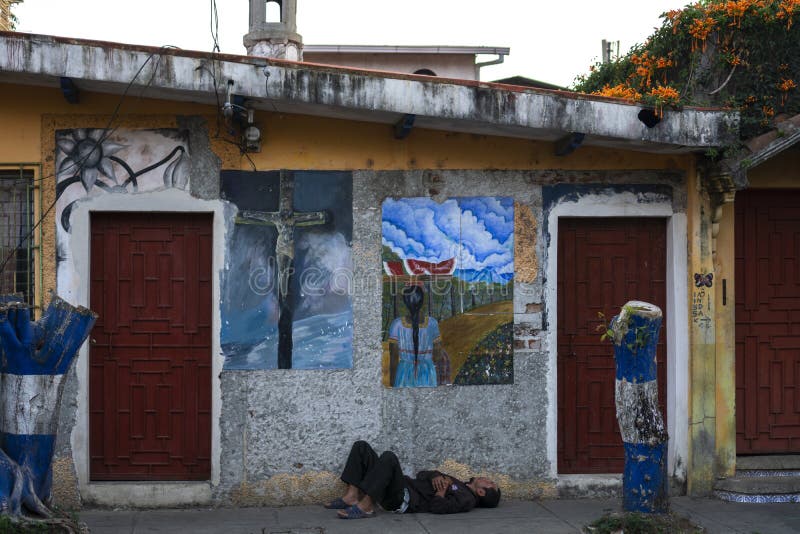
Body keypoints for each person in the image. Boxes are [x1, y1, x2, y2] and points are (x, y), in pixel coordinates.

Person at [324, 440, 500, 519]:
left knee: (389, 457)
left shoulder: (467, 499)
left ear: (481, 492)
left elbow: (437, 508)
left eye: (490, 483)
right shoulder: (458, 482)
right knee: (361, 447)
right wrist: (436, 476)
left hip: (402, 500)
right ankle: (352, 496)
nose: (488, 479)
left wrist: (441, 491)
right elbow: (422, 475)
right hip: (401, 485)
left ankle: (366, 507)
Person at [388, 285, 446, 387]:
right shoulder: (432, 323)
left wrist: (392, 384)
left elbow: (393, 358)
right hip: (427, 373)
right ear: (422, 302)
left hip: (404, 374)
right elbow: (438, 356)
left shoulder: (397, 324)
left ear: (406, 303)